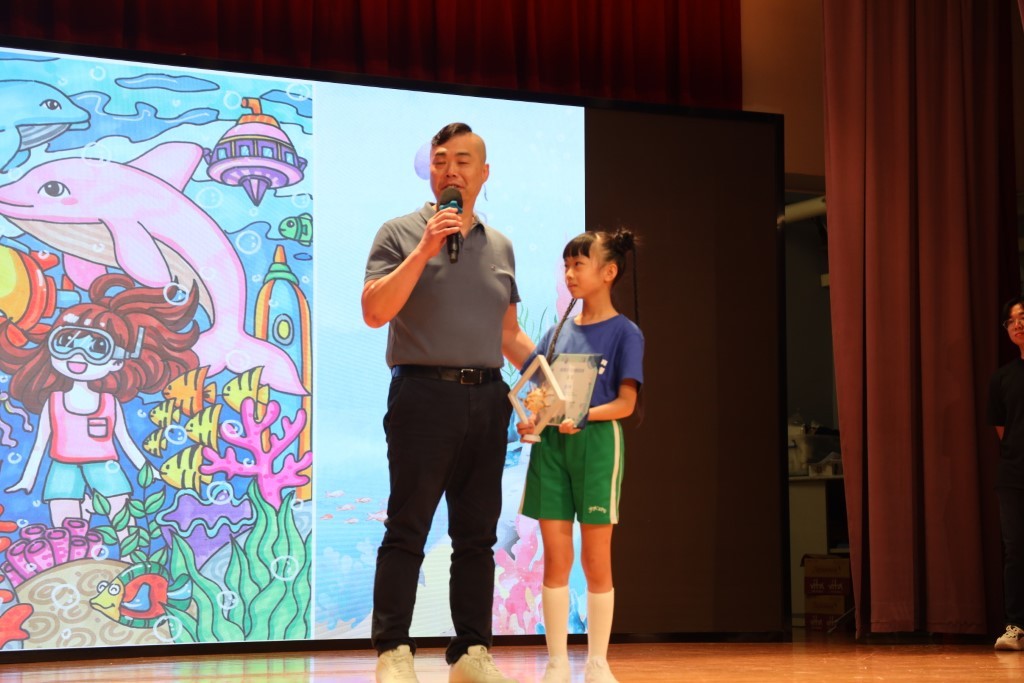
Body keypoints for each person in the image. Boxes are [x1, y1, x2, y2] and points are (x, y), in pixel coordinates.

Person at [362, 122, 533, 683]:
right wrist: (425, 248)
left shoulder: (501, 246)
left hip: (487, 397)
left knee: (477, 535)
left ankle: (471, 651)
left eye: (462, 161)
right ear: (430, 172)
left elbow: (509, 334)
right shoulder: (399, 232)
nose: (450, 171)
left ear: (483, 173)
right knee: (407, 525)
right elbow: (375, 310)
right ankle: (394, 649)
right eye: (440, 161)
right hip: (421, 393)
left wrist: (552, 383)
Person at [515, 228, 644, 683]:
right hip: (552, 448)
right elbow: (541, 397)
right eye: (566, 265)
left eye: (579, 264)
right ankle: (555, 662)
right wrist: (533, 421)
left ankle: (597, 662)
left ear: (609, 272)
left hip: (598, 445)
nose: (569, 274)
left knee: (595, 558)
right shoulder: (555, 333)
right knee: (555, 558)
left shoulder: (625, 333)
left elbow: (626, 404)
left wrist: (586, 415)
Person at [1, 273, 200, 537]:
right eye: (65, 343)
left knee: (124, 526)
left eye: (96, 347)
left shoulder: (109, 402)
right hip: (62, 467)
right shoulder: (55, 401)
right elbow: (40, 444)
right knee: (65, 532)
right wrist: (28, 478)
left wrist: (147, 468)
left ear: (117, 360)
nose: (78, 356)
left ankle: (128, 559)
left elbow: (125, 440)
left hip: (105, 466)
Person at [989, 294, 1024, 651]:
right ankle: (1016, 626)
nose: (1018, 324)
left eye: (1022, 316)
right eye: (1011, 320)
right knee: (1015, 550)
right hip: (1013, 475)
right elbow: (1003, 430)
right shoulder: (1002, 378)